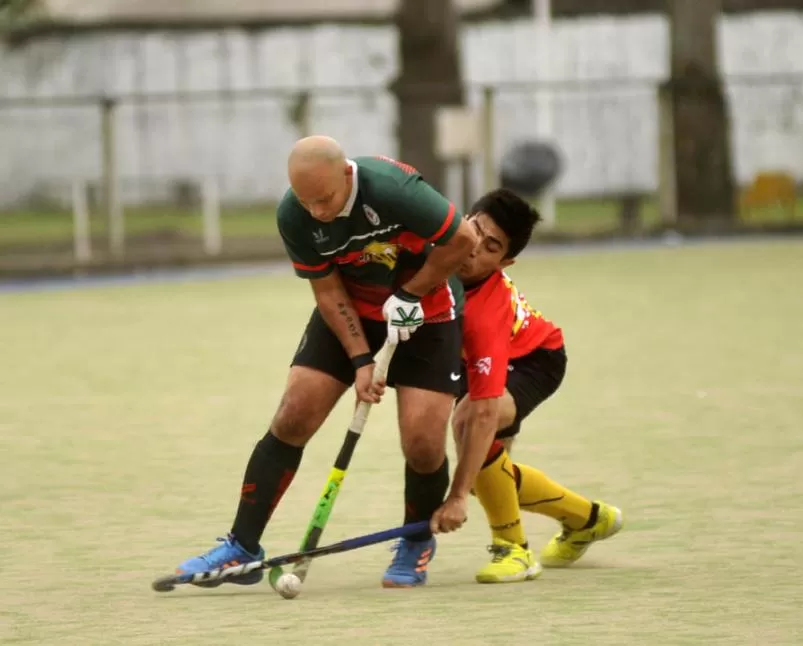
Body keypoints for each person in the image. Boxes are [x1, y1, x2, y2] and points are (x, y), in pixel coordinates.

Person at [172, 136, 476, 588]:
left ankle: (415, 541)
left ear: (347, 175)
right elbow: (328, 291)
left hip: (426, 315)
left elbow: (464, 241)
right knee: (294, 414)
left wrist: (412, 292)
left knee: (423, 443)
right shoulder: (294, 215)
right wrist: (359, 360)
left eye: (325, 199)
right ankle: (243, 546)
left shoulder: (394, 189)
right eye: (305, 200)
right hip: (351, 309)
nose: (316, 211)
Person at [429, 189, 623, 583]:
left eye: (491, 247)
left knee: (471, 428)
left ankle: (514, 550)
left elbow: (484, 410)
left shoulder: (485, 312)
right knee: (490, 471)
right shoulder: (436, 245)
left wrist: (456, 496)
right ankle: (589, 519)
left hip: (535, 359)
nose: (473, 250)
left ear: (506, 261)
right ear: (463, 217)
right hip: (479, 358)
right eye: (475, 230)